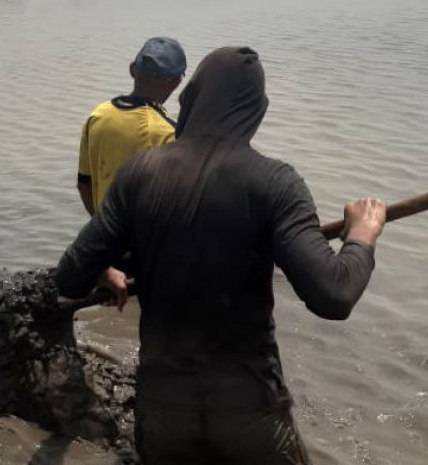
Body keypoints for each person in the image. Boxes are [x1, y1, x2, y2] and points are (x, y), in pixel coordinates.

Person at [56, 46, 387, 464]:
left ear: (189, 99)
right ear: (256, 111)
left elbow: (69, 277)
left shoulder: (138, 175)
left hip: (164, 412)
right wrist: (362, 235)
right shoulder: (275, 183)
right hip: (248, 412)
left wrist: (104, 268)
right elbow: (334, 294)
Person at [77, 37, 186, 215]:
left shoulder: (97, 116)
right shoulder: (170, 134)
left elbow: (84, 185)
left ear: (132, 70)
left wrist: (101, 229)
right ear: (176, 82)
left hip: (104, 237)